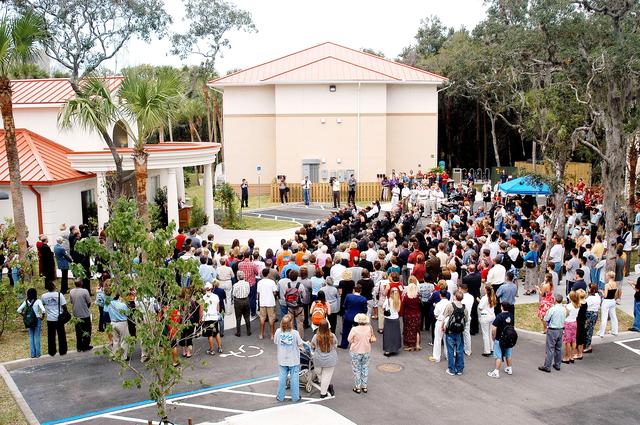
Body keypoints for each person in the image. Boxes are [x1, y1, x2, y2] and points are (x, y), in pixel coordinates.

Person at [274, 314, 305, 402]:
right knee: (294, 379)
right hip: (293, 359)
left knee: (282, 378)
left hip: (282, 359)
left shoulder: (278, 332)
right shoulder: (295, 333)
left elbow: (276, 342)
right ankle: (295, 397)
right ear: (291, 323)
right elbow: (300, 345)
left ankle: (280, 396)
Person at [443, 290, 469, 376]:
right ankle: (459, 369)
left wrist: (443, 326)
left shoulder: (450, 306)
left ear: (455, 297)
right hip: (459, 332)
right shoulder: (464, 308)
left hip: (450, 331)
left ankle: (451, 369)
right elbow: (466, 319)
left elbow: (445, 316)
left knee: (450, 351)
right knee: (460, 350)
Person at [310, 320, 337, 398]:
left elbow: (312, 346)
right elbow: (335, 344)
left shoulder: (316, 336)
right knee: (326, 376)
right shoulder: (332, 336)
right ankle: (323, 393)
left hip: (318, 359)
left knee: (319, 373)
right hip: (330, 359)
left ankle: (324, 391)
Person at [538, 294, 566, 373]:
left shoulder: (552, 309)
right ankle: (557, 364)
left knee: (550, 348)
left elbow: (546, 318)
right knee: (558, 348)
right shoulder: (564, 309)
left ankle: (547, 366)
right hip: (561, 329)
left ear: (555, 300)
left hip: (552, 329)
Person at [348, 313, 374, 394]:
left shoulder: (354, 329)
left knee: (357, 369)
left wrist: (354, 342)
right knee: (365, 368)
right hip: (366, 350)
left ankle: (357, 387)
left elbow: (349, 339)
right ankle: (364, 386)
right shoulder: (369, 328)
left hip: (356, 351)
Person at [487, 302, 514, 379]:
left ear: (501, 307)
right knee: (508, 355)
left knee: (498, 356)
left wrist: (493, 336)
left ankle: (496, 372)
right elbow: (512, 326)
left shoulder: (499, 316)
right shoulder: (511, 315)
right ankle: (509, 368)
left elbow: (494, 328)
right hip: (509, 339)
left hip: (500, 338)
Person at [41, 280, 68, 357]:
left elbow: (42, 306)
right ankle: (63, 351)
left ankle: (52, 351)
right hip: (59, 319)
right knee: (61, 335)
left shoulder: (43, 296)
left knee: (51, 336)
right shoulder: (59, 295)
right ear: (53, 287)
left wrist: (44, 315)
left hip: (50, 319)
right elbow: (64, 307)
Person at [17, 288, 45, 358]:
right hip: (37, 320)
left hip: (29, 321)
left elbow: (19, 310)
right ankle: (38, 353)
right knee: (37, 336)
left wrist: (25, 316)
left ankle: (32, 354)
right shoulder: (38, 301)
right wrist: (42, 317)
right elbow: (43, 310)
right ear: (35, 293)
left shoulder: (26, 302)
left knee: (31, 337)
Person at [339, 284, 368, 349]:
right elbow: (365, 310)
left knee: (346, 331)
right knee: (359, 331)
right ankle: (358, 344)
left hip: (348, 315)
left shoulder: (348, 296)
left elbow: (345, 305)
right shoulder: (363, 299)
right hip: (358, 317)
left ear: (354, 290)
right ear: (361, 290)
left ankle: (344, 344)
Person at [69, 278, 92, 352]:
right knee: (87, 330)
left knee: (78, 332)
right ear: (81, 283)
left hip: (76, 314)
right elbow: (89, 302)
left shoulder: (71, 291)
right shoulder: (85, 291)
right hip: (85, 314)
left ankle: (79, 346)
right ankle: (86, 345)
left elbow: (72, 302)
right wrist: (85, 307)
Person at [428, 287, 451, 363]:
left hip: (440, 321)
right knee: (447, 340)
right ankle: (448, 356)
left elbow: (435, 314)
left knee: (437, 339)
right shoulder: (450, 304)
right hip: (447, 322)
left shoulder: (438, 304)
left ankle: (437, 357)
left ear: (440, 295)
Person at [201, 282, 223, 355]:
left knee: (209, 334)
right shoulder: (216, 296)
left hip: (207, 317)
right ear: (211, 288)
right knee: (216, 332)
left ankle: (211, 349)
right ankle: (220, 347)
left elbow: (201, 309)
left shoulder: (203, 298)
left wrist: (201, 318)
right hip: (214, 317)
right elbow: (218, 308)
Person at [107, 293, 130, 360]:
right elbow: (127, 313)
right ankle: (123, 356)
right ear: (119, 297)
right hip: (122, 323)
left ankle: (115, 355)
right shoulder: (123, 305)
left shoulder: (109, 304)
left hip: (113, 322)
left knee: (115, 340)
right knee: (124, 340)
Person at [400, 281, 422, 351]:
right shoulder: (418, 296)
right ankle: (417, 345)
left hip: (408, 315)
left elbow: (402, 307)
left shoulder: (406, 297)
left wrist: (401, 314)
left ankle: (410, 346)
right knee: (417, 330)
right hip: (417, 315)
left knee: (409, 331)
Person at [257, 268, 278, 339]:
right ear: (268, 274)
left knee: (262, 318)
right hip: (270, 302)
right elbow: (275, 292)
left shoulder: (259, 282)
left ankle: (261, 334)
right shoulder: (272, 282)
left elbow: (258, 293)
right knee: (271, 319)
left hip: (262, 302)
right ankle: (272, 335)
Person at [598, 271, 619, 337]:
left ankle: (601, 333)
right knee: (614, 316)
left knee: (604, 317)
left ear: (609, 277)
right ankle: (615, 331)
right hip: (612, 301)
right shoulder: (615, 284)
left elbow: (605, 295)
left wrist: (601, 292)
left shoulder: (607, 285)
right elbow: (616, 294)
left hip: (606, 301)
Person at [382, 287, 402, 356]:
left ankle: (388, 350)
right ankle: (395, 348)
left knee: (388, 335)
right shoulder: (398, 301)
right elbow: (398, 310)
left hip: (388, 319)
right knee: (395, 334)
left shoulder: (388, 300)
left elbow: (383, 307)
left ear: (390, 293)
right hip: (395, 318)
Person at [478, 284, 496, 357]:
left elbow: (480, 307)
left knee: (485, 334)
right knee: (490, 333)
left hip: (485, 316)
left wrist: (479, 301)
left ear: (486, 290)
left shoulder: (484, 298)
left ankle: (487, 351)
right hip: (492, 316)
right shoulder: (493, 297)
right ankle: (492, 348)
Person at [232, 270, 252, 337]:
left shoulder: (236, 285)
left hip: (238, 301)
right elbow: (248, 292)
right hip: (246, 300)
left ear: (237, 277)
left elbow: (234, 293)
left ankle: (238, 332)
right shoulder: (247, 284)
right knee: (247, 317)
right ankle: (248, 331)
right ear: (244, 277)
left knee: (238, 318)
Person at [562, 291, 580, 364]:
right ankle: (572, 356)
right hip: (574, 323)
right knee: (573, 340)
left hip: (568, 323)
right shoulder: (577, 304)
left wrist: (565, 308)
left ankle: (567, 357)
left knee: (567, 341)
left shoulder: (569, 306)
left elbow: (565, 315)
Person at [584, 284, 601, 352]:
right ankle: (587, 344)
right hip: (595, 313)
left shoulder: (590, 298)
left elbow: (585, 305)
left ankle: (588, 346)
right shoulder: (598, 296)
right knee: (590, 329)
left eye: (589, 288)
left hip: (589, 314)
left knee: (588, 331)